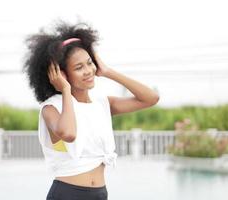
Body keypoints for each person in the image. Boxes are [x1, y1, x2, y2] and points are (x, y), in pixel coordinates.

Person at [23, 21, 159, 200]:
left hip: (99, 194)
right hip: (67, 193)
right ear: (61, 74)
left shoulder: (101, 103)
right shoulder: (51, 108)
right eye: (79, 68)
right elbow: (69, 133)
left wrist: (108, 72)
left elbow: (151, 98)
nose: (88, 71)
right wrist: (65, 90)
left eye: (89, 63)